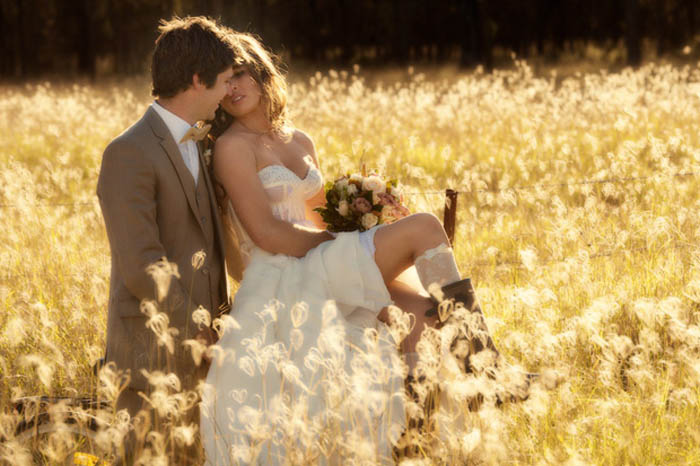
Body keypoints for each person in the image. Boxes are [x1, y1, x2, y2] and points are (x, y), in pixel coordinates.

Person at [200, 32, 526, 465]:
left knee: (422, 315)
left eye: (239, 73)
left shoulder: (299, 140)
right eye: (224, 81)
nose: (234, 87)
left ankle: (414, 442)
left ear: (261, 72)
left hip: (322, 254)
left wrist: (366, 214)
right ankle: (484, 368)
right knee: (427, 227)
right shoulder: (231, 147)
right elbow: (266, 234)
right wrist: (348, 242)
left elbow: (321, 218)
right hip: (285, 269)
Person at [97, 16, 242, 463]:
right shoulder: (128, 152)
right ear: (197, 80)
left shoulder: (202, 142)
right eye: (222, 83)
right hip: (149, 354)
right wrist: (197, 330)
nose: (226, 94)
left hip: (207, 356)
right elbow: (143, 265)